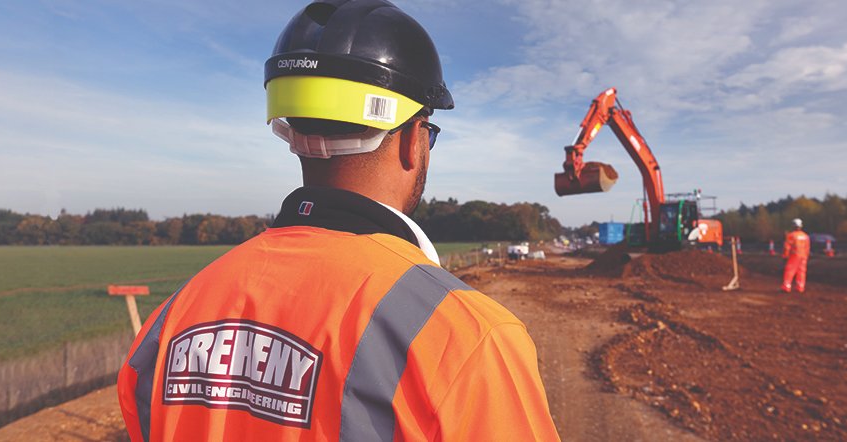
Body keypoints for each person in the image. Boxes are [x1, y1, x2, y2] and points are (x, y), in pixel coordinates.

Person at [117, 1, 559, 440]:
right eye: (429, 132)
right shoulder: (468, 338)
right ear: (411, 140)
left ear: (293, 135)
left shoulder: (175, 314)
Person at [781, 218, 810, 293]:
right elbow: (807, 247)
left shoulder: (791, 235)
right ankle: (800, 287)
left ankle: (786, 286)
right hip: (803, 256)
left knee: (790, 270)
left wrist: (785, 256)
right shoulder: (805, 236)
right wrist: (806, 255)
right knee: (802, 271)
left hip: (794, 255)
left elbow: (787, 247)